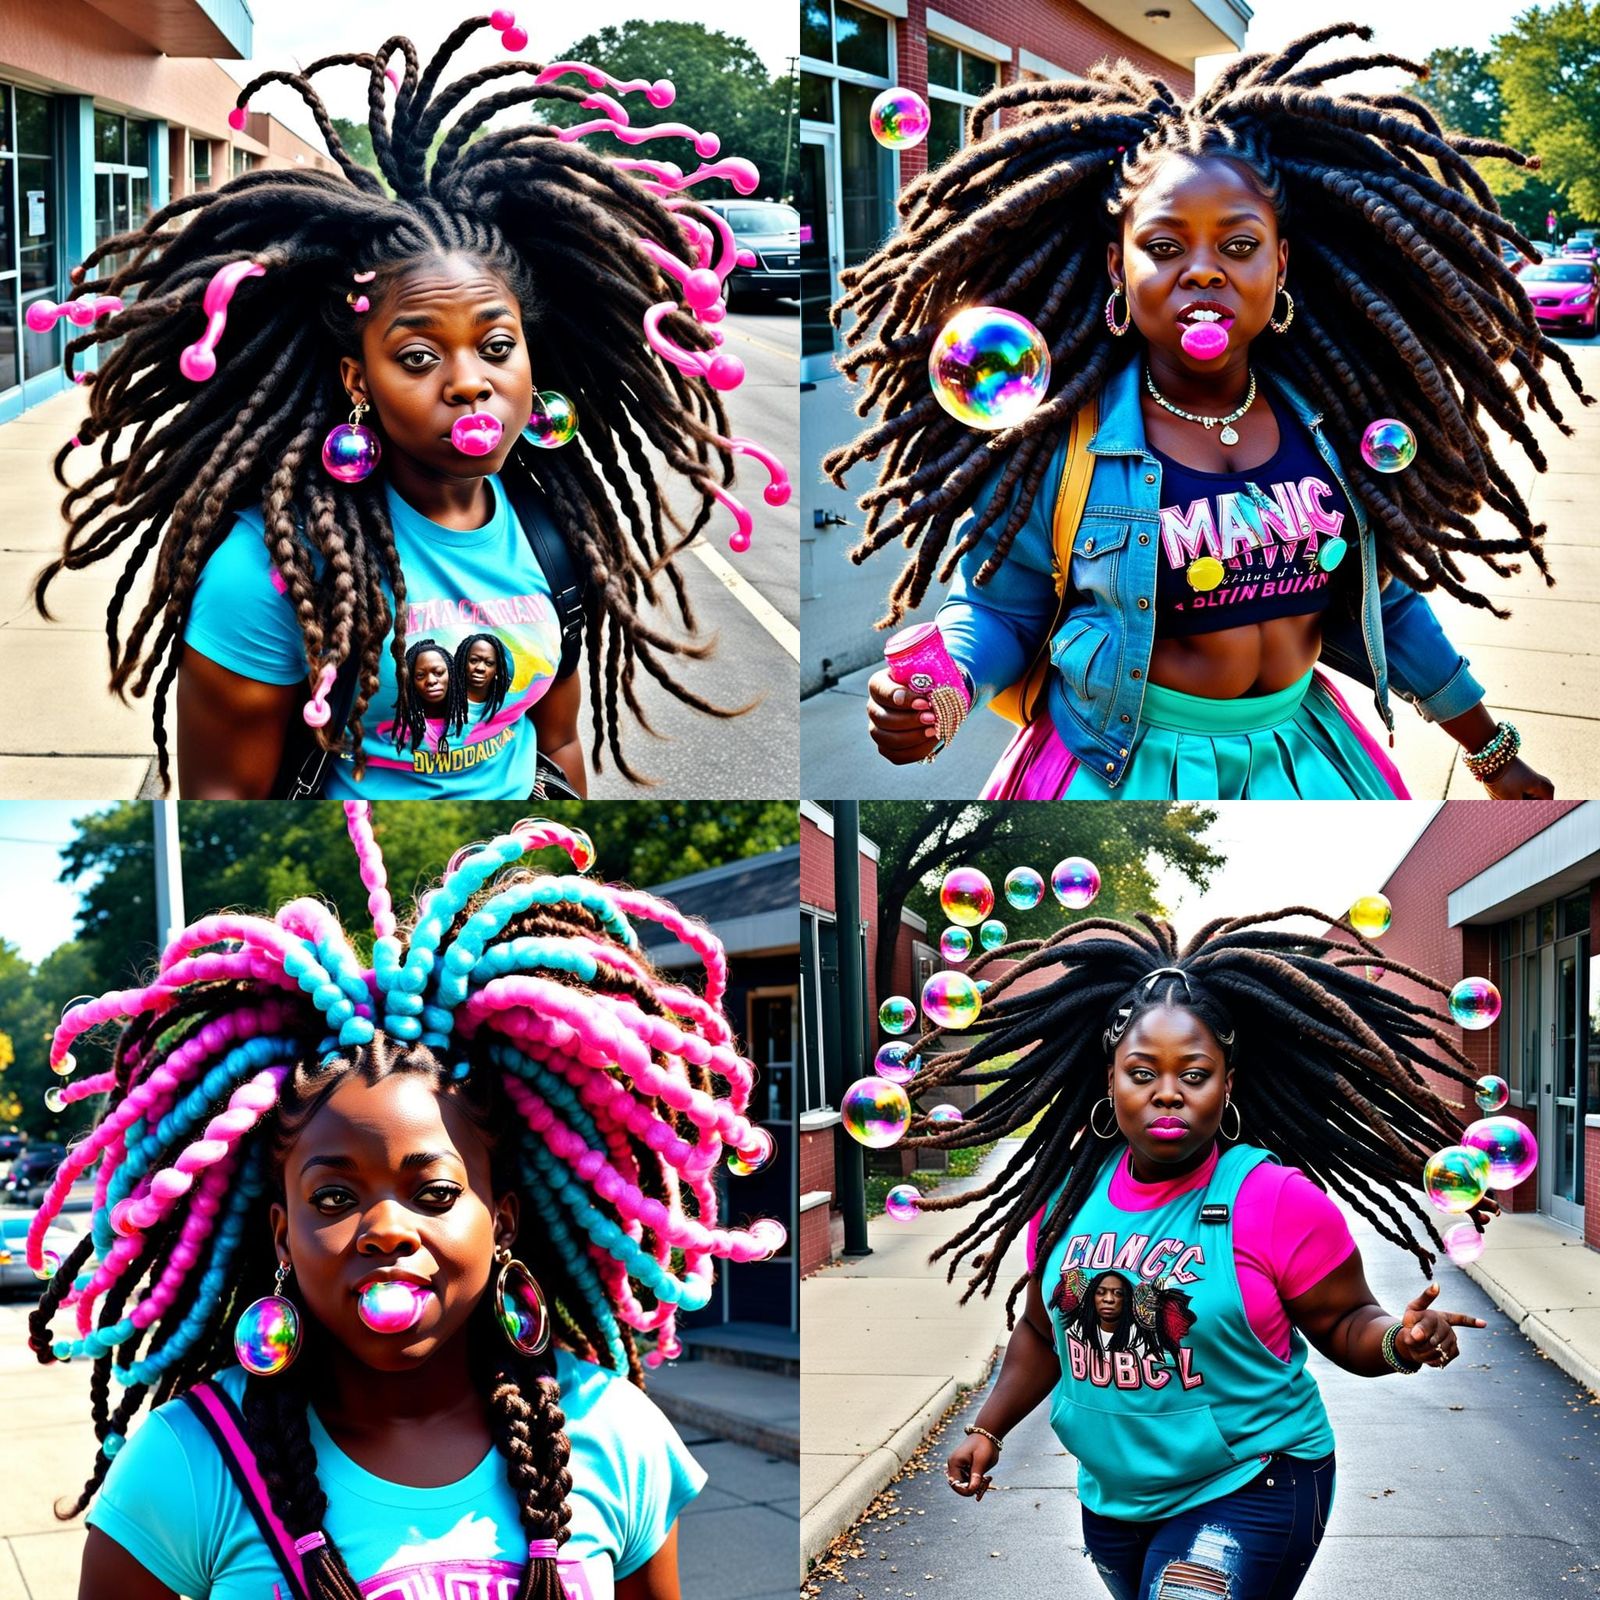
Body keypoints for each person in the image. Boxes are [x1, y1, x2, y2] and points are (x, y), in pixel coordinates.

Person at [22, 804, 785, 1600]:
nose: (387, 1229)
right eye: (335, 1196)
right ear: (280, 1236)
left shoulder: (613, 1435)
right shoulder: (185, 1464)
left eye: (436, 1192)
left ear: (505, 1222)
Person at [35, 17, 785, 798]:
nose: (468, 383)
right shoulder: (268, 573)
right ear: (358, 380)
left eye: (496, 347)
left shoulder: (552, 537)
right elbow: (225, 797)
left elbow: (556, 741)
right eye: (420, 357)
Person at [838, 24, 1591, 798]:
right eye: (1164, 247)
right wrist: (943, 693)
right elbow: (1000, 611)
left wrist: (1494, 755)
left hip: (1306, 758)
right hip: (1120, 770)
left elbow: (1388, 605)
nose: (1203, 272)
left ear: (1281, 262)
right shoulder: (1062, 442)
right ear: (1116, 267)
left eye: (1238, 247)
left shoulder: (1330, 422)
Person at [908, 908, 1498, 1598]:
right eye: (1141, 1072)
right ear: (1109, 1082)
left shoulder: (1274, 1199)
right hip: (1113, 1499)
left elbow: (1345, 1324)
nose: (1166, 1092)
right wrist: (990, 1428)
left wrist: (1401, 1341)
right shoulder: (1066, 1195)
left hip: (1254, 1479)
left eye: (1194, 1073)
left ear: (1229, 1084)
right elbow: (1043, 1332)